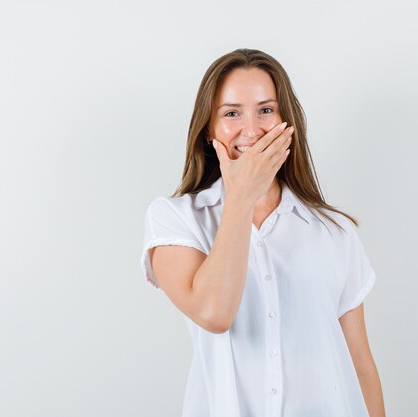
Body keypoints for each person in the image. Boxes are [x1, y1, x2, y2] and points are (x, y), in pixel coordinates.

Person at [140, 48, 385, 417]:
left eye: (266, 110)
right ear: (209, 127)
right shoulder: (175, 219)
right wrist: (241, 196)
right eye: (232, 113)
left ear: (287, 122)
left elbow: (360, 362)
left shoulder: (334, 233)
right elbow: (214, 313)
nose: (251, 129)